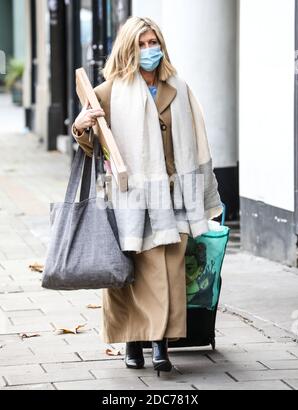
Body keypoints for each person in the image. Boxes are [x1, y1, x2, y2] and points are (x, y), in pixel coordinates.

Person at [72, 16, 223, 377]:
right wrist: (81, 126)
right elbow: (95, 145)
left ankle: (160, 343)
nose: (148, 50)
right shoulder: (109, 91)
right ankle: (131, 340)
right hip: (129, 197)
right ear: (128, 48)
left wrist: (203, 194)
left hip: (174, 195)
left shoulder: (179, 88)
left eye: (153, 43)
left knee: (167, 271)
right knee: (129, 273)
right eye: (141, 44)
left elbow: (198, 140)